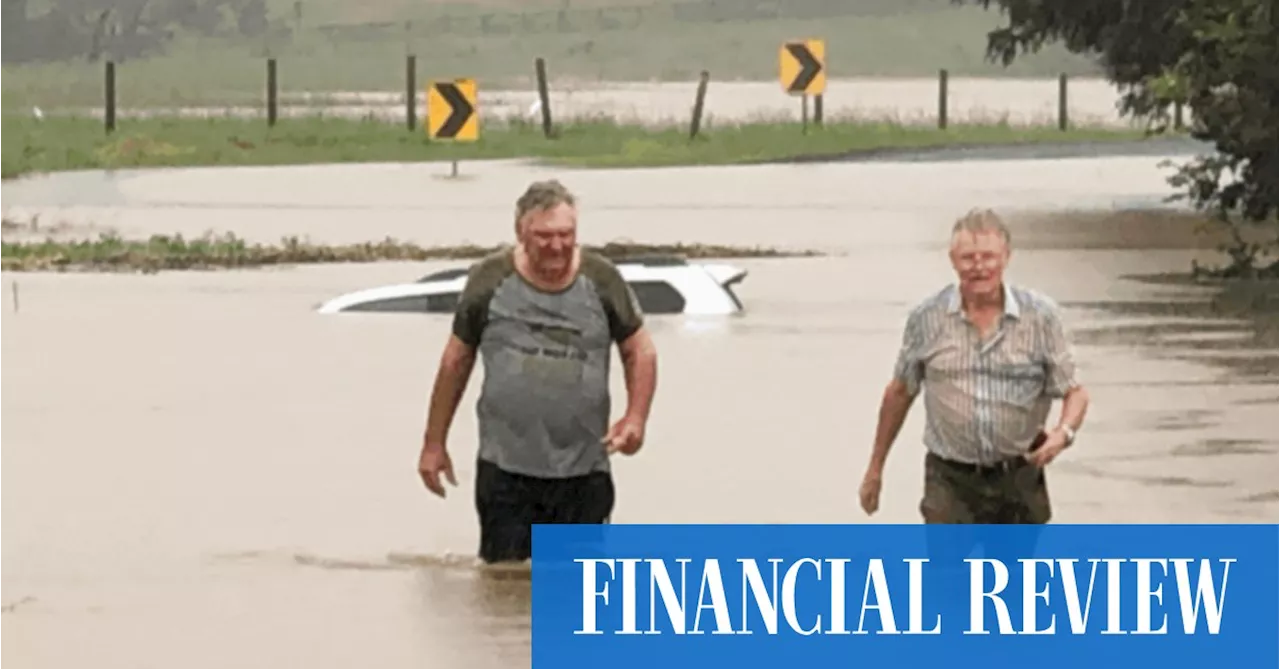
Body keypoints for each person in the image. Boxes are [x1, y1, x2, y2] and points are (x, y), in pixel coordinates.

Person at [416, 179, 658, 564]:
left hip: (583, 469)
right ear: (520, 232)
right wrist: (434, 443)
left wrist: (636, 418)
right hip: (505, 468)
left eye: (566, 234)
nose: (557, 246)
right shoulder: (489, 279)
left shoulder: (602, 279)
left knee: (578, 590)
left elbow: (640, 350)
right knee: (503, 586)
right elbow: (455, 361)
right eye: (544, 236)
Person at [858, 207, 1090, 525]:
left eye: (988, 257)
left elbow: (1074, 392)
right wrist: (875, 468)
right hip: (950, 480)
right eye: (968, 258)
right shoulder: (927, 318)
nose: (979, 267)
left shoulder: (1041, 317)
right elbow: (900, 393)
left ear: (1006, 257)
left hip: (1018, 476)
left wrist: (1064, 433)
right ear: (953, 261)